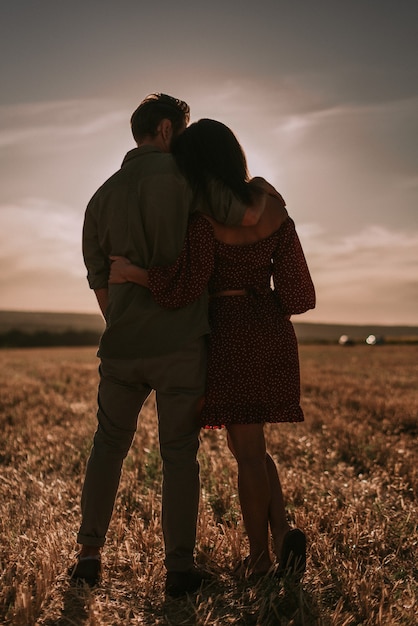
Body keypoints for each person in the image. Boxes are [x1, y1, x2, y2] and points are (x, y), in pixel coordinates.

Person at [73, 96, 268, 596]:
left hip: (121, 344)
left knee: (107, 449)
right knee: (179, 456)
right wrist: (264, 192)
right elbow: (244, 216)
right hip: (181, 343)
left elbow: (100, 280)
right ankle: (179, 570)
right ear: (165, 130)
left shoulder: (99, 197)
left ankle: (89, 556)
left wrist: (122, 319)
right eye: (179, 131)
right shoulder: (189, 179)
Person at [109, 119, 316, 581]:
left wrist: (134, 273)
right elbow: (301, 296)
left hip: (228, 335)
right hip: (272, 333)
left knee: (245, 450)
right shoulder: (276, 210)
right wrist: (264, 304)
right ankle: (282, 532)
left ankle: (259, 561)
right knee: (251, 442)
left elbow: (184, 287)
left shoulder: (203, 219)